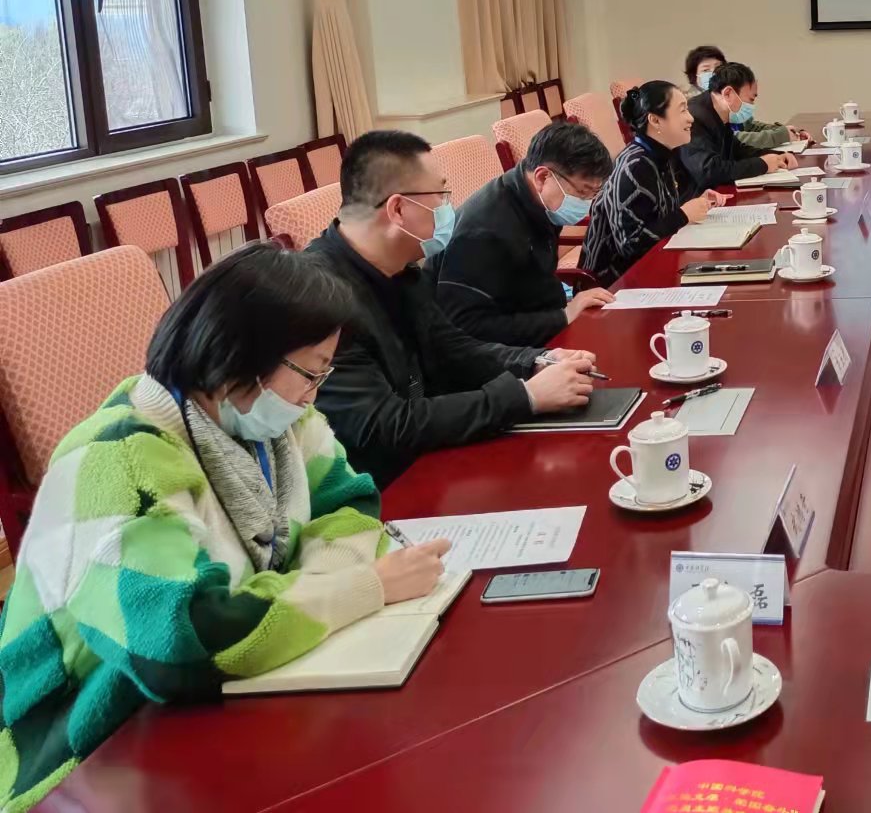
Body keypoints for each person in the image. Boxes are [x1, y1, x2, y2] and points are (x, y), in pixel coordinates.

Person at [0, 245, 452, 804]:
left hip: (224, 697)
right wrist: (362, 587)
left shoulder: (272, 418)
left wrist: (312, 594)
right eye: (311, 372)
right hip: (87, 746)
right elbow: (183, 641)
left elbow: (347, 501)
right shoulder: (119, 460)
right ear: (240, 357)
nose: (315, 393)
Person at [306, 130, 599, 487]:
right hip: (379, 487)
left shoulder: (401, 269)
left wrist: (537, 361)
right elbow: (385, 426)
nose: (450, 207)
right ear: (398, 209)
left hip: (430, 455)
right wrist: (525, 397)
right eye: (441, 195)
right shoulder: (320, 299)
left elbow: (453, 348)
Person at [430, 120, 615, 346]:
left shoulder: (537, 200)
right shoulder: (485, 232)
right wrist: (563, 316)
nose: (587, 203)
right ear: (542, 177)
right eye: (583, 192)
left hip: (536, 322)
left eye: (593, 194)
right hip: (496, 352)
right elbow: (468, 328)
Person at [581, 81, 727, 285]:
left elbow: (658, 214)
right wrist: (684, 215)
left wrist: (696, 203)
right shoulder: (636, 165)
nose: (691, 118)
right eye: (682, 110)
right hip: (614, 284)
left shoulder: (658, 153)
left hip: (654, 266)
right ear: (655, 120)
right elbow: (630, 245)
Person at [681, 61, 800, 195]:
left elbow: (737, 150)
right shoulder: (695, 118)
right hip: (695, 199)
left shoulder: (718, 112)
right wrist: (763, 164)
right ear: (728, 94)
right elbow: (709, 171)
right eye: (751, 99)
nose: (752, 106)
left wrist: (776, 157)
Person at [683, 44, 808, 150]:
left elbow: (749, 126)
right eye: (706, 70)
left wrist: (784, 130)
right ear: (694, 77)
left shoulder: (728, 98)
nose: (713, 73)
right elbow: (732, 139)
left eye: (718, 67)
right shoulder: (693, 109)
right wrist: (779, 136)